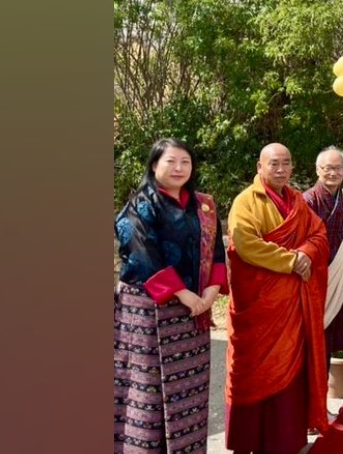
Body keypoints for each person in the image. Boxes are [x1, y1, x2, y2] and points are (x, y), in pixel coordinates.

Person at [114, 138, 225, 454]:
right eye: (170, 161)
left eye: (185, 162)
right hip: (148, 313)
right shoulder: (140, 205)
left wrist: (208, 295)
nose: (179, 168)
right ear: (153, 165)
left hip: (192, 315)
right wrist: (186, 296)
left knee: (189, 391)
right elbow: (142, 253)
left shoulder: (203, 205)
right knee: (146, 390)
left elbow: (217, 253)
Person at [225, 143, 331, 454]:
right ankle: (251, 440)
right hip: (259, 310)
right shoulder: (245, 202)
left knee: (291, 372)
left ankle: (286, 440)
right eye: (274, 163)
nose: (281, 169)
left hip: (291, 309)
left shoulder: (297, 200)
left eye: (286, 163)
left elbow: (319, 235)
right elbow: (245, 244)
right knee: (254, 374)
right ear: (260, 167)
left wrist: (306, 254)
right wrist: (290, 262)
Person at [303, 146, 343, 372]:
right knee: (309, 340)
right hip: (314, 280)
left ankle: (321, 401)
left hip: (336, 282)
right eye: (328, 168)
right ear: (318, 170)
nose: (333, 173)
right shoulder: (308, 200)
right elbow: (302, 240)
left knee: (326, 344)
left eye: (338, 168)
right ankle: (305, 404)